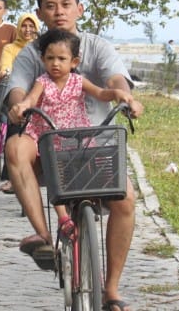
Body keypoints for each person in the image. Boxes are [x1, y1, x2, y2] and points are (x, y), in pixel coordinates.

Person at [5, 0, 143, 311]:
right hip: (46, 143)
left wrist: (124, 94)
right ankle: (45, 238)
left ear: (79, 9)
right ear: (39, 13)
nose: (59, 12)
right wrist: (18, 106)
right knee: (14, 148)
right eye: (50, 6)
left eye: (66, 5)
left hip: (92, 143)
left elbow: (112, 81)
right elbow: (19, 89)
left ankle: (111, 290)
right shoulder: (31, 54)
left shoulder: (97, 48)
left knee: (125, 199)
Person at [9, 28, 134, 238]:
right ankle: (63, 218)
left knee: (85, 165)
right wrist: (22, 106)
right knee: (55, 175)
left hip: (76, 135)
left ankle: (88, 203)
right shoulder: (43, 82)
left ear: (74, 62)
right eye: (50, 58)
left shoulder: (78, 81)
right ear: (42, 59)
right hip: (49, 133)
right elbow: (30, 99)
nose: (55, 63)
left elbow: (102, 93)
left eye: (61, 58)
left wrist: (119, 94)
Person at [0, 12, 41, 194]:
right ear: (19, 27)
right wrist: (6, 72)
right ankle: (11, 177)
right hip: (18, 94)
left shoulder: (41, 47)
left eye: (31, 26)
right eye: (24, 26)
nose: (27, 30)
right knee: (15, 128)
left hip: (40, 94)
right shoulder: (11, 48)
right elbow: (6, 66)